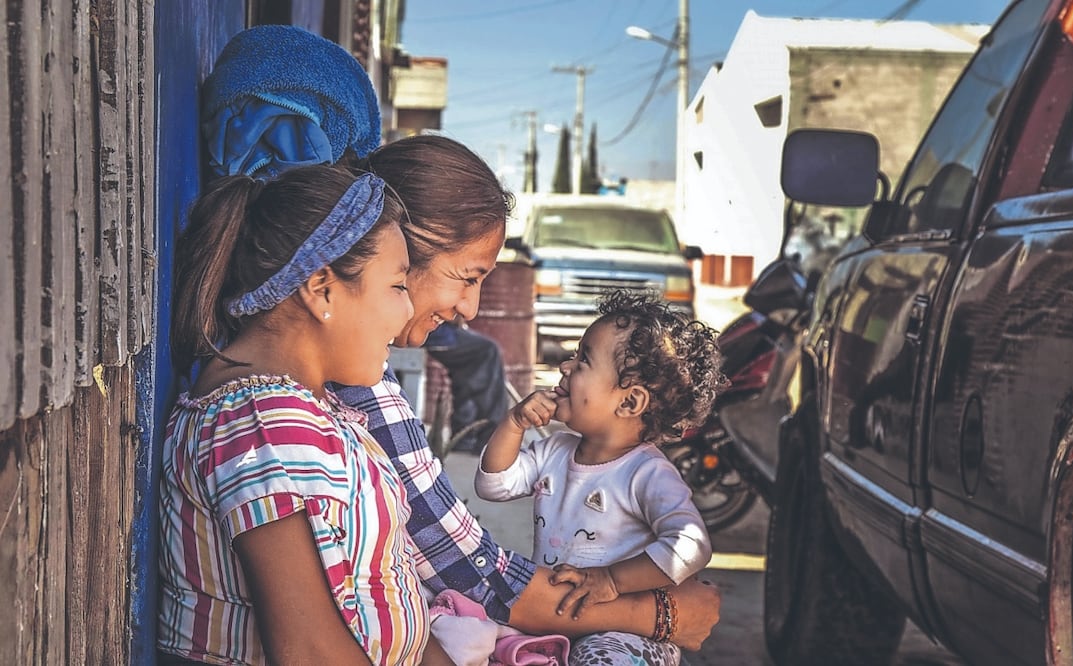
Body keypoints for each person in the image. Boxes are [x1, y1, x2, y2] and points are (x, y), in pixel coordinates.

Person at [199, 24, 723, 658]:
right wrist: (656, 615)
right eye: (465, 277)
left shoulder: (320, 388)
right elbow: (462, 571)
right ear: (376, 260)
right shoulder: (287, 412)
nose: (472, 308)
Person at [158, 164, 449, 665]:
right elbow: (309, 651)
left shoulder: (308, 410)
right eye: (398, 286)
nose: (407, 313)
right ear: (322, 289)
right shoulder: (261, 422)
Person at [475, 290, 726, 665]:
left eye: (583, 361)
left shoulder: (647, 473)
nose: (565, 366)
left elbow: (691, 546)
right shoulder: (553, 451)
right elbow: (493, 484)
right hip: (556, 623)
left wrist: (612, 580)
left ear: (628, 403)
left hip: (626, 636)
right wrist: (515, 424)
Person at [424, 319, 508, 453]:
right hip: (434, 332)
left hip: (439, 330)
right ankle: (489, 437)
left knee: (469, 370)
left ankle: (463, 436)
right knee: (488, 350)